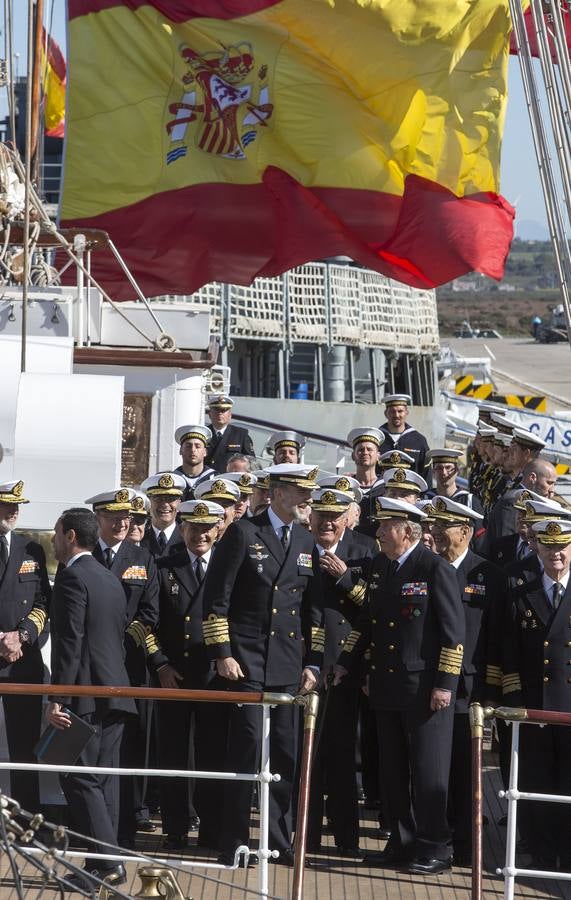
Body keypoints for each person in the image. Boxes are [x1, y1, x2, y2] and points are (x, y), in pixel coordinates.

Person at [201, 463, 324, 867]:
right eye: (300, 491)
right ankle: (234, 840)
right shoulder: (243, 533)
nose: (307, 499)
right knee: (247, 750)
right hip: (247, 662)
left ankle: (277, 840)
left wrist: (314, 663)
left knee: (285, 755)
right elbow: (216, 600)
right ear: (278, 493)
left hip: (287, 667)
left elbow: (313, 611)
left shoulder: (305, 539)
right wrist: (223, 653)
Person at [336, 496, 465, 874]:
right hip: (386, 685)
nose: (377, 532)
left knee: (428, 772)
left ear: (407, 532)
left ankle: (436, 847)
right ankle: (402, 841)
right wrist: (346, 661)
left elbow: (453, 634)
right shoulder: (381, 566)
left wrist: (445, 684)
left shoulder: (434, 568)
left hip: (425, 689)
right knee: (392, 771)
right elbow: (368, 621)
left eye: (385, 526)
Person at [47, 508, 136, 892]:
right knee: (103, 783)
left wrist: (58, 697)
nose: (53, 541)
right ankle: (100, 865)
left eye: (56, 534)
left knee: (78, 776)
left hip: (85, 695)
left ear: (70, 536)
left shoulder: (72, 577)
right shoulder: (108, 577)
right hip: (115, 693)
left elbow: (70, 642)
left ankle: (109, 864)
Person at [429, 496, 505, 865]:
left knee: (465, 769)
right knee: (432, 768)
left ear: (465, 531)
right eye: (435, 525)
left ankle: (465, 847)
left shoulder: (487, 574)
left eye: (444, 526)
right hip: (430, 685)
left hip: (469, 688)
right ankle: (435, 840)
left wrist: (490, 691)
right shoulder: (428, 567)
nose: (436, 532)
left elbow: (496, 637)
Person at [147, 499, 225, 851]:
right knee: (172, 755)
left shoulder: (227, 566)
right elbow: (146, 622)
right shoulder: (163, 567)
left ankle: (211, 828)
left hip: (214, 676)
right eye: (194, 528)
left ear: (218, 530)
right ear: (182, 529)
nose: (201, 535)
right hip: (174, 676)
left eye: (207, 528)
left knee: (212, 755)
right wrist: (160, 664)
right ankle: (175, 828)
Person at [85, 488, 160, 847]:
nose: (121, 523)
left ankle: (124, 828)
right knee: (90, 748)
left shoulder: (142, 558)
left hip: (129, 665)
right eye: (113, 517)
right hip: (88, 668)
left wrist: (122, 639)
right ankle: (91, 830)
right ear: (98, 519)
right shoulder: (84, 556)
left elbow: (150, 612)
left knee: (126, 748)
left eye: (126, 517)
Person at [306, 488, 377, 857]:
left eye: (334, 517)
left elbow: (376, 608)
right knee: (308, 758)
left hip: (345, 667)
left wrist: (347, 578)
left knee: (342, 756)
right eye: (321, 516)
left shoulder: (365, 549)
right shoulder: (298, 546)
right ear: (311, 518)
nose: (327, 523)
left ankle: (347, 839)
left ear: (346, 519)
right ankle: (306, 837)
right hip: (305, 667)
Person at [502, 518, 571, 871]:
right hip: (535, 705)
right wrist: (514, 699)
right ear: (537, 548)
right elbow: (508, 649)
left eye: (562, 547)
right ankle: (543, 852)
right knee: (537, 782)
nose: (555, 554)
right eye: (548, 546)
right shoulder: (521, 591)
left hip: (569, 708)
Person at [0, 480, 51, 813]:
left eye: (17, 506)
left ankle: (25, 819)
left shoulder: (32, 548)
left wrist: (22, 636)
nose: (14, 511)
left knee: (25, 748)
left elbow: (44, 603)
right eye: (7, 505)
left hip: (22, 660)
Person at [485, 430, 547, 547]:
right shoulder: (512, 485)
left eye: (514, 450)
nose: (509, 453)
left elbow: (509, 541)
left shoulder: (524, 491)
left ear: (526, 454)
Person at [378, 394, 430, 474]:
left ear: (406, 412)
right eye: (392, 411)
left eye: (400, 411)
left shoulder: (419, 440)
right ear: (386, 413)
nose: (396, 415)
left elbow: (426, 471)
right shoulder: (377, 439)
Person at [140, 472, 187, 558]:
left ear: (179, 504)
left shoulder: (189, 540)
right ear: (148, 504)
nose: (165, 504)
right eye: (158, 498)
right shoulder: (139, 539)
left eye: (171, 498)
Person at [205, 396, 255, 472]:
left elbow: (251, 462)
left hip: (231, 477)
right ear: (209, 414)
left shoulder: (241, 435)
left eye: (223, 410)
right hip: (208, 477)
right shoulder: (203, 433)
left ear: (230, 415)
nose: (220, 413)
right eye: (216, 410)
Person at [173, 424, 217, 499]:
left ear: (205, 452)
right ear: (180, 450)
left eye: (197, 446)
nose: (193, 450)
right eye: (188, 446)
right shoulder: (173, 478)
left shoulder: (214, 478)